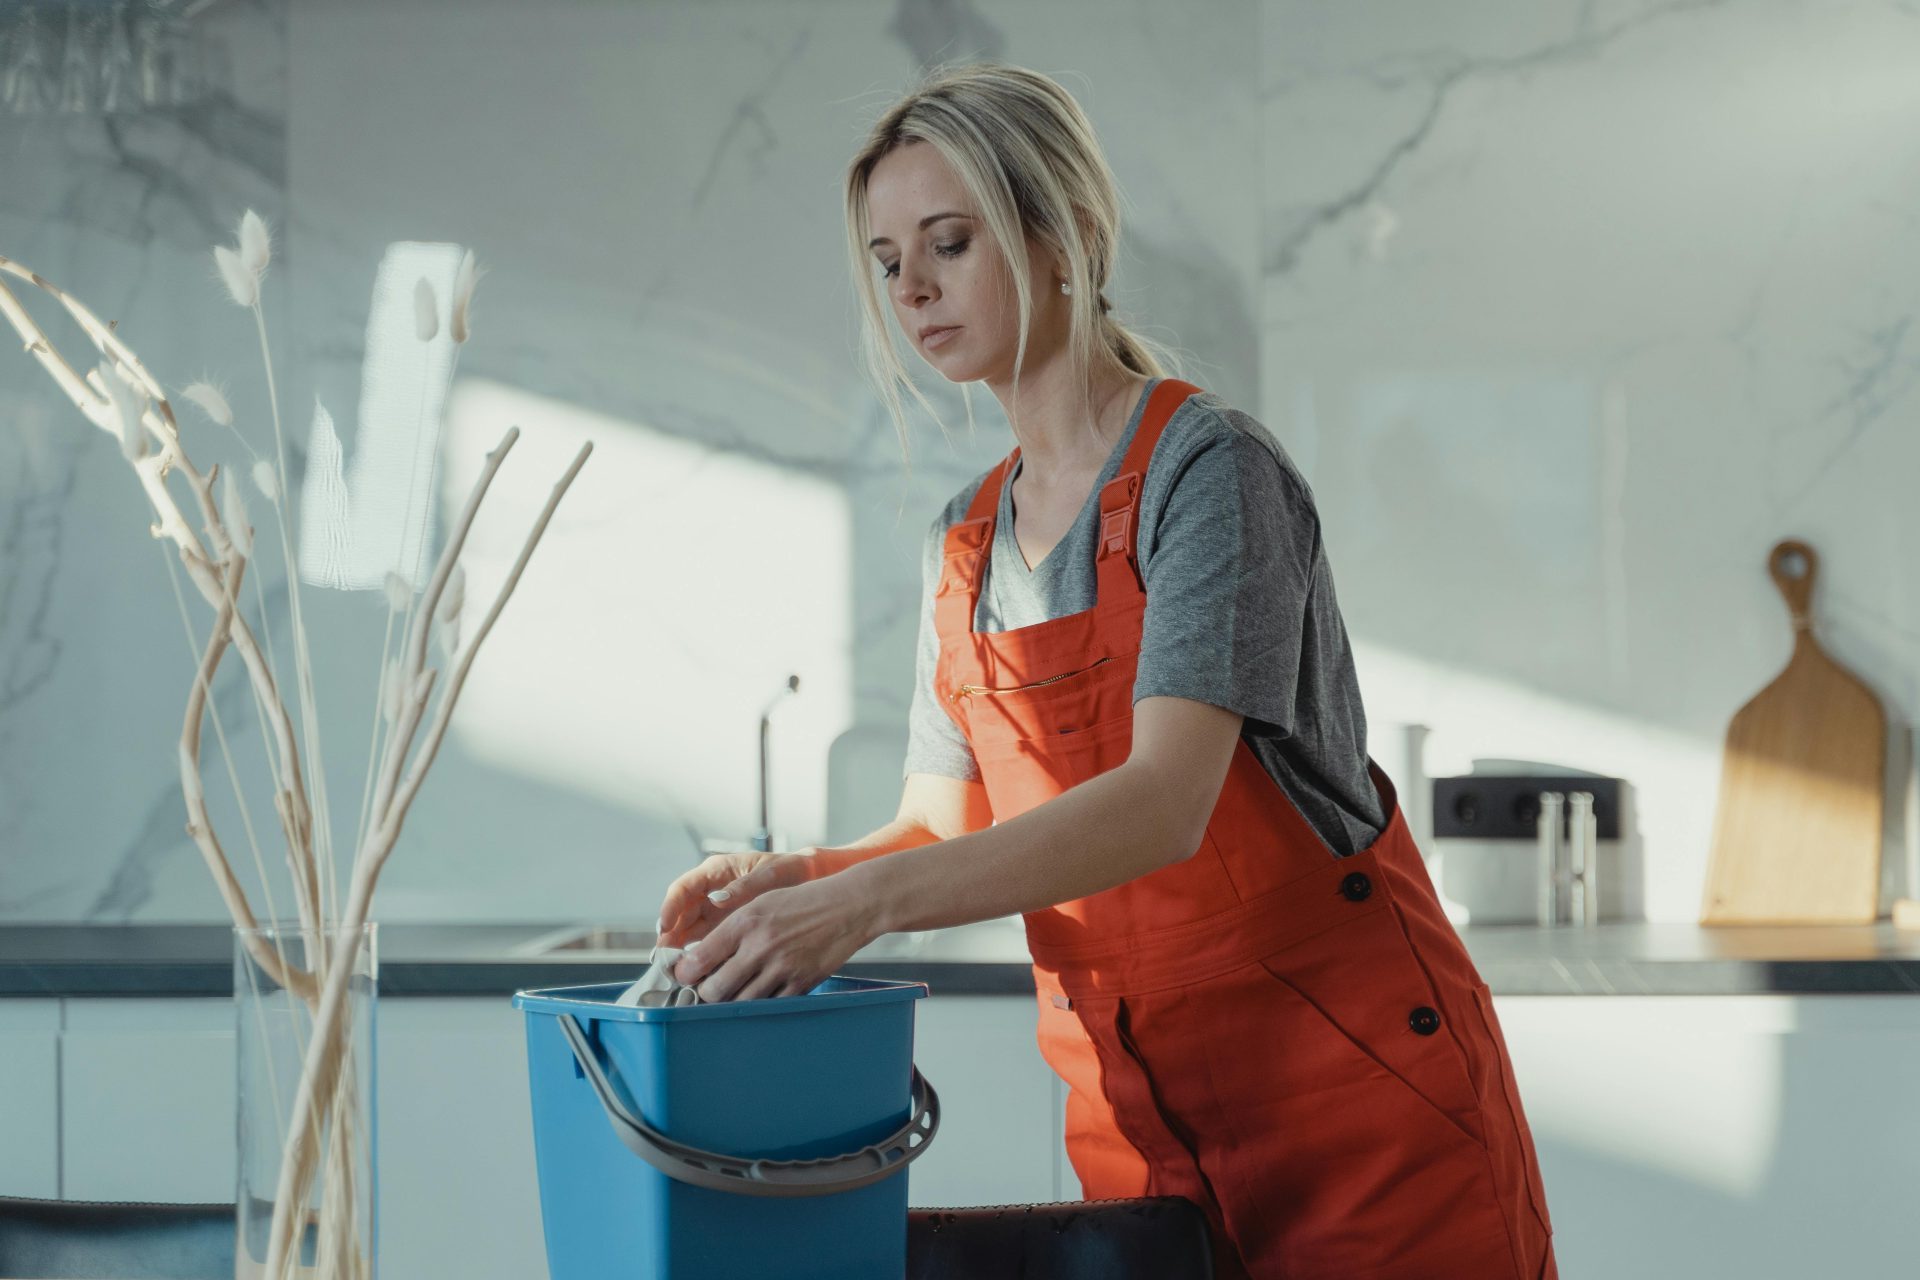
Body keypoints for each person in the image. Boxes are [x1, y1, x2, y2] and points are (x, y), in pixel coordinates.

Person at [657, 60, 1556, 1280]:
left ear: (1068, 234)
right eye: (887, 259)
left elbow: (1163, 802)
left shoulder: (1210, 471)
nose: (913, 287)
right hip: (1145, 1136)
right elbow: (940, 825)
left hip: (1362, 1117)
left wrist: (860, 909)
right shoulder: (964, 545)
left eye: (950, 242)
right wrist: (795, 885)